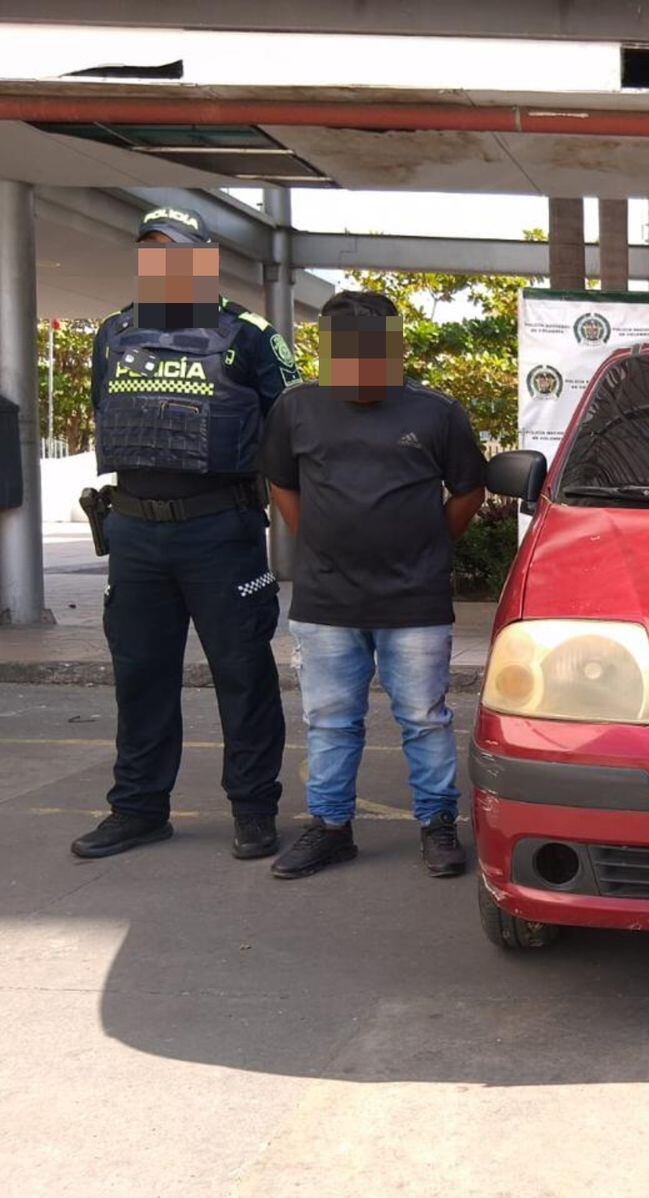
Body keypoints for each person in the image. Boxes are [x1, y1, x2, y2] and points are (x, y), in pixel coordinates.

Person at [71, 206, 298, 861]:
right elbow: (103, 411)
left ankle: (254, 810)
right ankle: (138, 810)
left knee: (243, 674)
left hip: (220, 531)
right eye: (151, 252)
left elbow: (294, 429)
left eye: (175, 251)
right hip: (135, 532)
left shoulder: (250, 334)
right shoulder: (113, 332)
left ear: (203, 258)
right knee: (139, 676)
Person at [259, 291, 487, 880]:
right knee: (331, 720)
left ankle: (437, 826)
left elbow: (468, 492)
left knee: (424, 718)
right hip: (326, 601)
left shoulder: (437, 413)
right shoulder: (296, 409)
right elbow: (281, 481)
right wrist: (315, 539)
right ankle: (330, 828)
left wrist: (428, 547)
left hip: (414, 601)